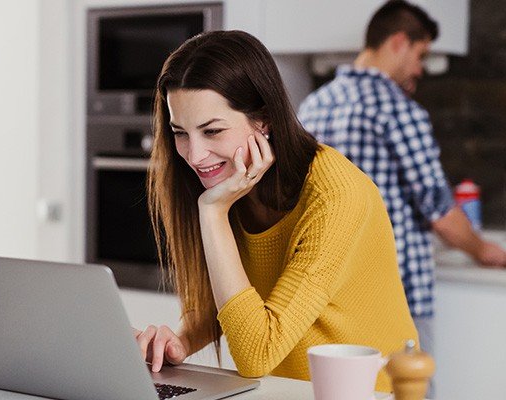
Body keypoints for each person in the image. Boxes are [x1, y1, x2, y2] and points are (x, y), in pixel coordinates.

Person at [135, 30, 417, 392]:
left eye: (213, 131)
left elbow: (256, 353)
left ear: (264, 119)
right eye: (180, 133)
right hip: (282, 391)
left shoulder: (336, 195)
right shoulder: (231, 182)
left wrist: (213, 213)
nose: (193, 155)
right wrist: (182, 341)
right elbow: (225, 306)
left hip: (361, 393)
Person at [297, 0, 506, 359]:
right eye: (420, 55)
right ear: (398, 42)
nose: (420, 69)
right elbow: (439, 211)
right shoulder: (398, 110)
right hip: (396, 293)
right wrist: (482, 249)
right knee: (410, 391)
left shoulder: (314, 105)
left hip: (332, 293)